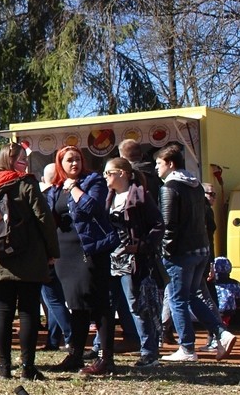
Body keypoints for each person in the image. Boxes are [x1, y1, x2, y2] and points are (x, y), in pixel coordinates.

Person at [0, 143, 58, 380]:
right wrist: (52, 250)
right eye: (21, 159)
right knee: (29, 310)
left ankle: (4, 368)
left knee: (3, 310)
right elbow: (44, 218)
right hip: (29, 256)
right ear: (9, 161)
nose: (25, 163)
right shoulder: (26, 183)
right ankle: (27, 368)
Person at [156, 145, 237, 362]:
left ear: (170, 164)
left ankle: (187, 348)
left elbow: (168, 224)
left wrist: (165, 250)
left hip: (179, 253)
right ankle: (222, 333)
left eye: (159, 163)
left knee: (177, 300)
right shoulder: (196, 187)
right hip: (201, 250)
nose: (156, 168)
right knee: (191, 296)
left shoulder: (169, 188)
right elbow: (204, 222)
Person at [46, 145, 120, 376]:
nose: (74, 164)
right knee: (76, 305)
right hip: (65, 255)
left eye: (77, 159)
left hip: (89, 250)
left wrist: (75, 188)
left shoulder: (93, 181)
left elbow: (93, 208)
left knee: (98, 304)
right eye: (69, 160)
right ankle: (76, 354)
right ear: (60, 164)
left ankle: (106, 359)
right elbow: (50, 218)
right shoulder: (55, 189)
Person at [103, 157, 165, 368]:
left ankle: (149, 352)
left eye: (108, 173)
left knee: (136, 305)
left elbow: (158, 225)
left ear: (122, 173)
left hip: (133, 260)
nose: (105, 177)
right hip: (111, 258)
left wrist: (140, 246)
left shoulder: (140, 196)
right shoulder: (109, 197)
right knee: (108, 304)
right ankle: (100, 349)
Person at [38, 162, 71, 352]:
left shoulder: (46, 197)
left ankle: (70, 335)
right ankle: (53, 339)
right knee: (53, 297)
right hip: (61, 252)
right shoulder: (61, 196)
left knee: (52, 298)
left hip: (49, 254)